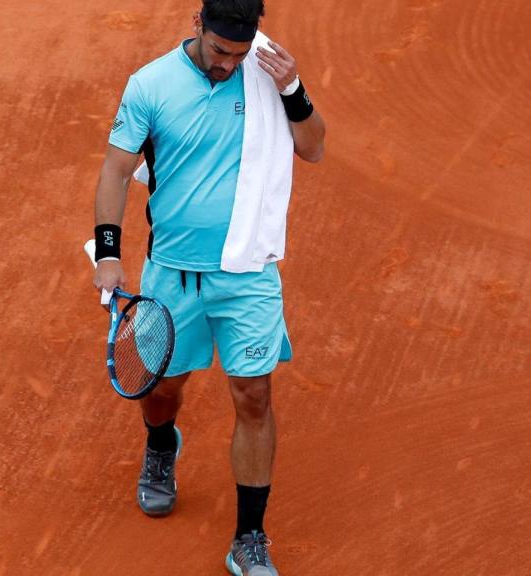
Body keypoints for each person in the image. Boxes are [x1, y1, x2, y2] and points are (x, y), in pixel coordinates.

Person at [90, 0, 325, 573]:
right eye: (221, 52)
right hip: (173, 274)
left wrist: (293, 89)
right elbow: (117, 169)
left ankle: (249, 536)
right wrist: (109, 255)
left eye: (240, 54)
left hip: (248, 274)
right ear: (198, 26)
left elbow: (314, 146)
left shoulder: (269, 72)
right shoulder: (150, 84)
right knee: (161, 390)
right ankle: (162, 447)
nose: (229, 65)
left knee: (254, 396)